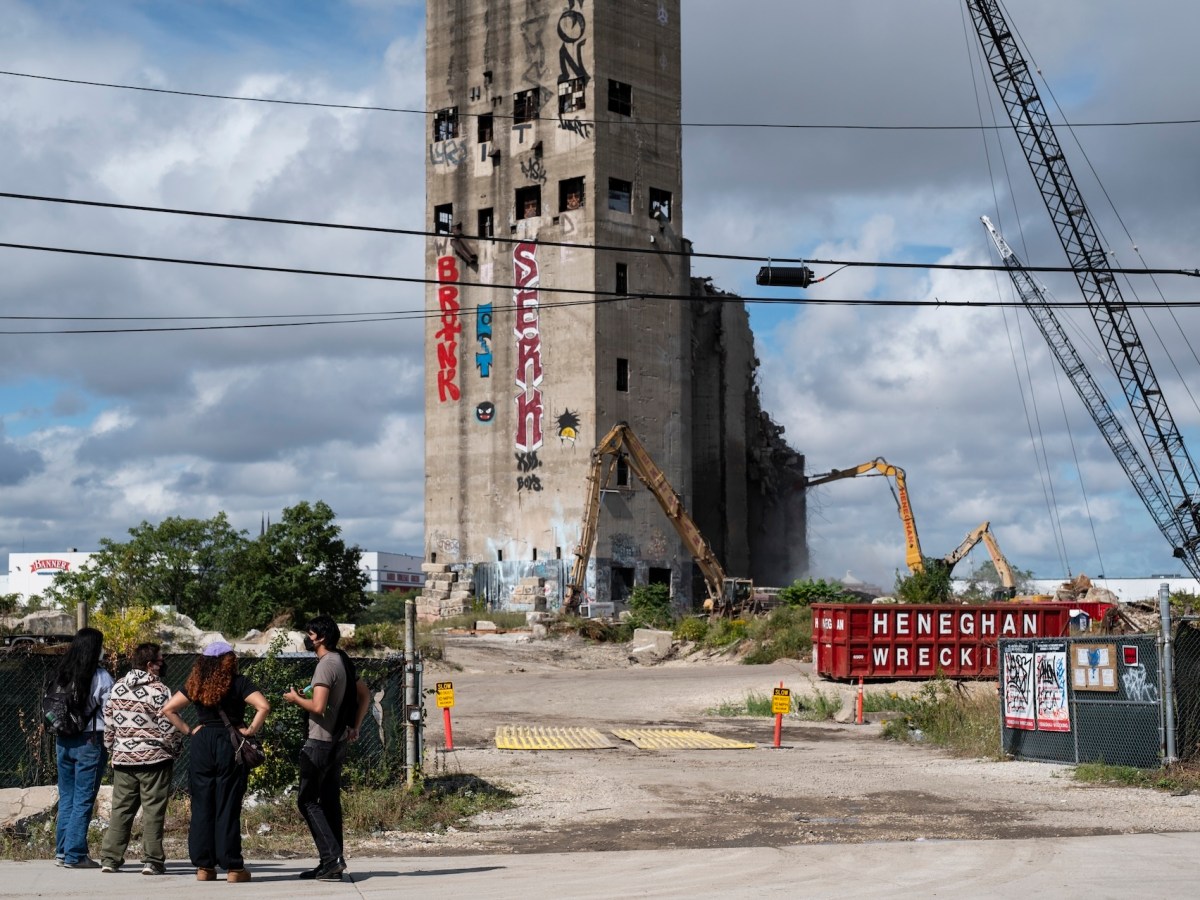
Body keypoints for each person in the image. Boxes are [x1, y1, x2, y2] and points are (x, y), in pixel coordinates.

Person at [162, 641, 269, 884]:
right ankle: (233, 867)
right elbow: (263, 706)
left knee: (202, 804)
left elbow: (169, 709)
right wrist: (250, 730)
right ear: (229, 660)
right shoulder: (239, 682)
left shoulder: (195, 683)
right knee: (227, 804)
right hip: (229, 743)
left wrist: (189, 730)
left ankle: (204, 867)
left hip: (202, 743)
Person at [282, 616, 370, 882]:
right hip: (338, 741)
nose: (307, 639)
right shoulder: (342, 660)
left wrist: (295, 698)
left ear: (320, 638)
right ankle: (330, 864)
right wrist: (355, 726)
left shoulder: (325, 665)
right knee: (329, 802)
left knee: (307, 800)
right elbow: (364, 694)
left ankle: (332, 859)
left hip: (320, 742)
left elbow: (318, 707)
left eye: (310, 634)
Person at [99, 642, 181, 875]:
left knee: (121, 810)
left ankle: (110, 859)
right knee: (153, 811)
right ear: (150, 665)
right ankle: (152, 861)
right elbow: (168, 726)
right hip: (155, 759)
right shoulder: (160, 690)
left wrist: (112, 749)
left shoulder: (118, 687)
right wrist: (175, 749)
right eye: (161, 661)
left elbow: (109, 722)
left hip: (123, 759)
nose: (163, 664)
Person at [49, 626, 114, 869]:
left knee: (67, 797)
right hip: (90, 741)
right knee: (84, 799)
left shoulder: (62, 673)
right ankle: (75, 855)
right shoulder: (101, 676)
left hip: (63, 739)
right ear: (95, 648)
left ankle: (62, 851)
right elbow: (110, 712)